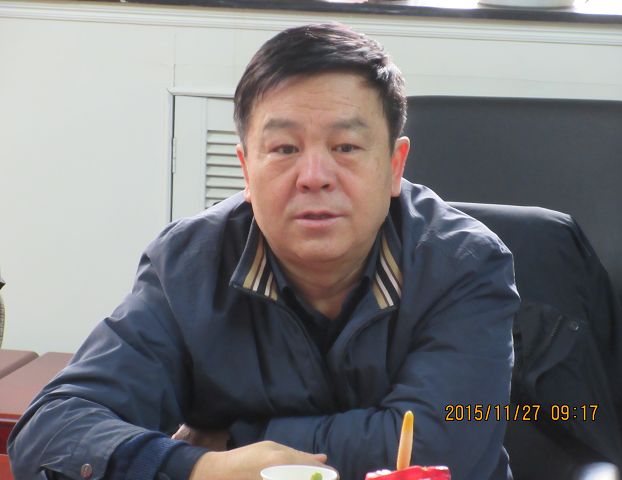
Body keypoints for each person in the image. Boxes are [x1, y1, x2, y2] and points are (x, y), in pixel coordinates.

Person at [8, 23, 519, 480]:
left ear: (394, 166)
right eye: (284, 149)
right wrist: (201, 468)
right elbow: (51, 431)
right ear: (246, 171)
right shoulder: (188, 265)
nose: (314, 177)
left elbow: (443, 451)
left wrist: (233, 441)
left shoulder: (465, 265)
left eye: (345, 147)